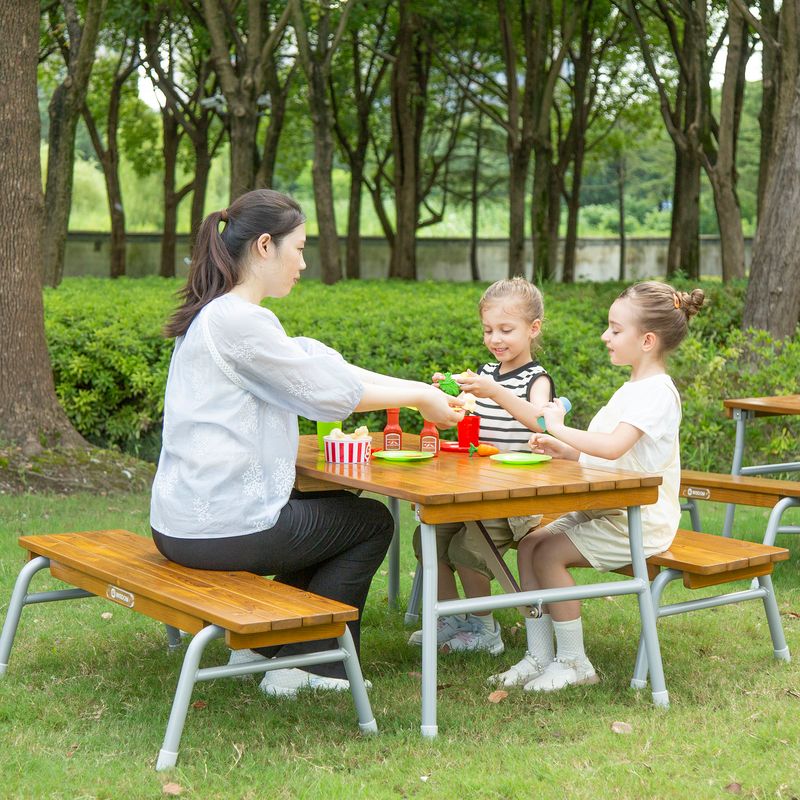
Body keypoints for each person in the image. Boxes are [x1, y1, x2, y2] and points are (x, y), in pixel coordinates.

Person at [150, 189, 462, 698]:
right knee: (368, 523)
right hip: (214, 527)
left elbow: (321, 365)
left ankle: (265, 647)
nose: (304, 262)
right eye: (299, 248)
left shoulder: (221, 315)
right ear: (265, 246)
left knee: (329, 512)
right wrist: (419, 396)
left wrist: (421, 392)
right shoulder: (239, 321)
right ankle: (311, 665)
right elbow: (323, 393)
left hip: (185, 520)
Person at [489, 281, 705, 691]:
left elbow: (612, 447)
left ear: (646, 340)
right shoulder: (631, 389)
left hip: (638, 519)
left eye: (615, 329)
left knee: (549, 554)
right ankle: (539, 655)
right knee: (531, 544)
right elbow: (608, 455)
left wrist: (560, 426)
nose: (606, 336)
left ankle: (574, 662)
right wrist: (563, 447)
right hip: (608, 508)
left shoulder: (657, 394)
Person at [408, 277, 555, 656]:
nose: (496, 338)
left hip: (512, 498)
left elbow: (541, 421)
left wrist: (495, 392)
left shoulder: (535, 379)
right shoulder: (485, 374)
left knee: (470, 551)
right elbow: (463, 420)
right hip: (472, 486)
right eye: (489, 330)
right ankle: (455, 618)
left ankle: (485, 628)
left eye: (507, 330)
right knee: (430, 541)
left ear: (533, 329)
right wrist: (446, 395)